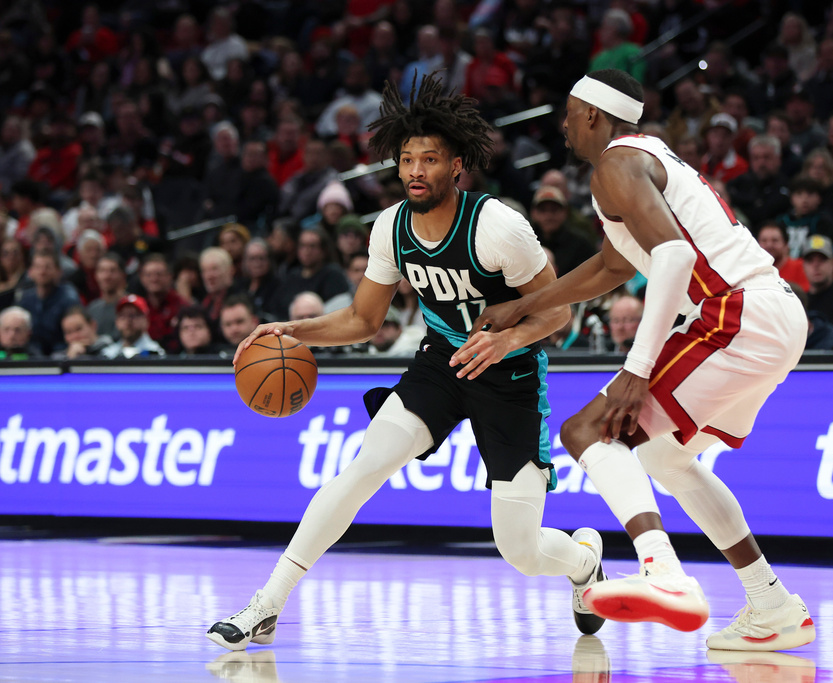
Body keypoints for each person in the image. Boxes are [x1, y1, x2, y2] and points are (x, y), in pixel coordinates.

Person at [207, 72, 607, 652]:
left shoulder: (498, 226)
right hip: (441, 363)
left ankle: (584, 560)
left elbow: (557, 314)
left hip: (510, 376)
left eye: (431, 159)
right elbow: (364, 321)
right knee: (360, 471)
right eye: (407, 159)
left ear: (456, 167)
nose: (417, 170)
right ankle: (266, 605)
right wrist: (294, 331)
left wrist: (506, 341)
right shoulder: (391, 227)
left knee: (519, 549)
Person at [471, 69, 815, 651]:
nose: (562, 124)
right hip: (773, 316)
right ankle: (772, 604)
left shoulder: (616, 163)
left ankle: (664, 572)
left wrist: (636, 367)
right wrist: (524, 307)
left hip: (733, 312)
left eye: (570, 112)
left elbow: (676, 256)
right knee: (664, 456)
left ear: (594, 117)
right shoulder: (644, 162)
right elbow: (611, 267)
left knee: (588, 432)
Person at [18, 249, 82, 356]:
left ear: (58, 272)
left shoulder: (68, 298)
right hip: (30, 355)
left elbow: (76, 331)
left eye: (47, 267)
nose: (42, 272)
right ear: (31, 271)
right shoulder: (25, 299)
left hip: (62, 354)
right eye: (38, 267)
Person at [100, 294, 165, 359]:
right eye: (123, 315)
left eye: (133, 315)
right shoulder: (108, 354)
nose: (128, 320)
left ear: (146, 320)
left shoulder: (155, 353)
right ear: (117, 321)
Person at [757, 222, 809, 292]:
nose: (769, 245)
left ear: (786, 244)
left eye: (775, 240)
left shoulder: (801, 267)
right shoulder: (753, 271)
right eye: (764, 241)